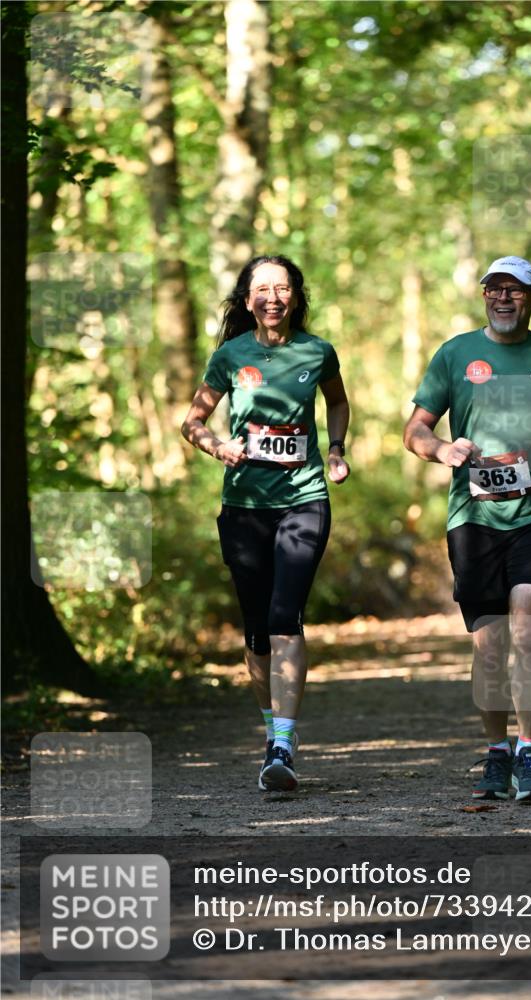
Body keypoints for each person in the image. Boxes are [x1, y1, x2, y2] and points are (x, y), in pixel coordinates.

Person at [403, 255, 531, 802]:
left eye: (516, 290)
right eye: (495, 288)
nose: (504, 297)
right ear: (484, 296)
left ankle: (529, 749)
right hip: (474, 519)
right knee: (490, 646)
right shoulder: (455, 354)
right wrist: (441, 449)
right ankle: (497, 751)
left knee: (529, 626)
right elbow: (415, 429)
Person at [182, 255, 350, 792]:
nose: (273, 297)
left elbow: (338, 402)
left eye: (282, 288)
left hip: (304, 500)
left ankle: (283, 742)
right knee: (256, 631)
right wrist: (217, 446)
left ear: (296, 297)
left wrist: (337, 449)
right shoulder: (230, 356)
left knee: (284, 618)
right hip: (244, 507)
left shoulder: (317, 351)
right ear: (247, 299)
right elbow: (192, 421)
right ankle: (272, 730)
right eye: (262, 289)